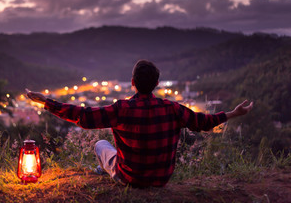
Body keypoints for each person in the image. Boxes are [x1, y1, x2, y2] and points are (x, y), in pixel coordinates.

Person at [26, 60, 253, 187]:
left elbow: (83, 117)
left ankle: (106, 171)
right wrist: (233, 113)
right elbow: (204, 122)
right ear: (156, 84)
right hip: (162, 179)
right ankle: (109, 170)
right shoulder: (172, 109)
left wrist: (47, 102)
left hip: (130, 178)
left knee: (100, 145)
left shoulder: (122, 109)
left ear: (133, 82)